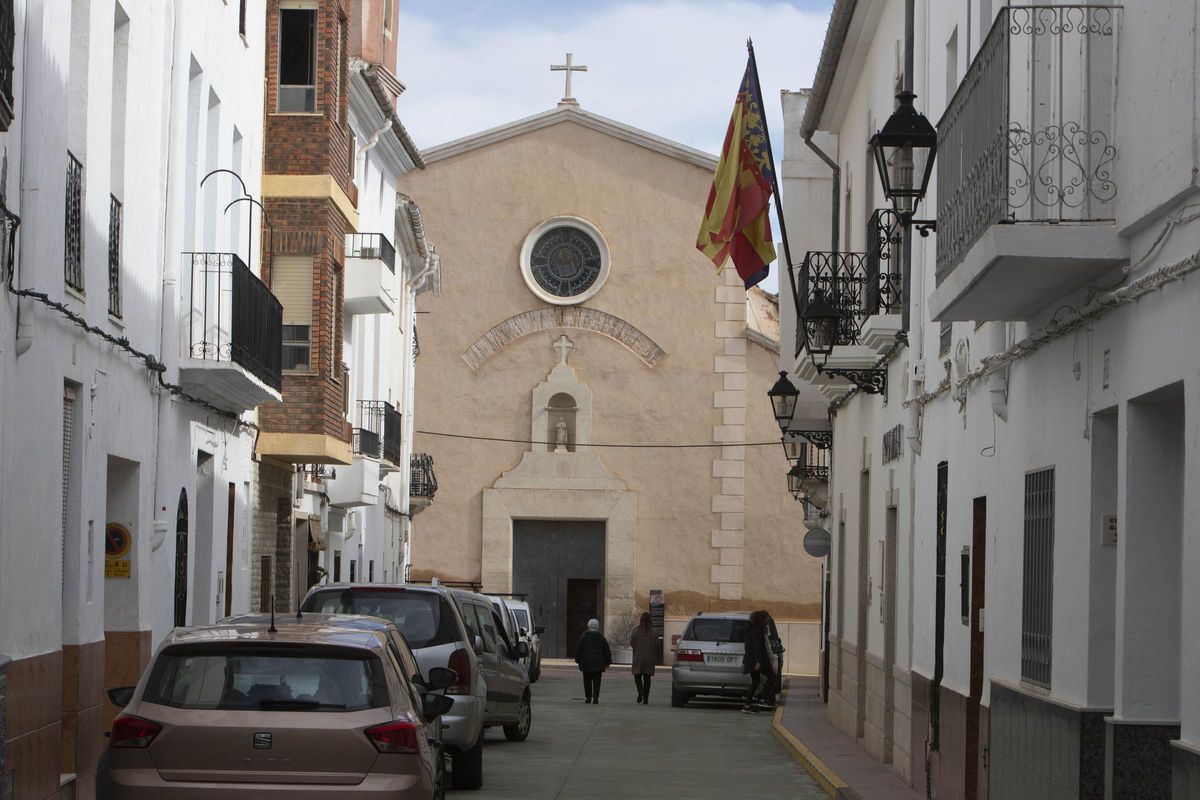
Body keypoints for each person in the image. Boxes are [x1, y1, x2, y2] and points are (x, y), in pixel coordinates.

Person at [741, 610, 774, 714]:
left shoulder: (752, 630)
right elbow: (757, 647)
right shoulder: (757, 631)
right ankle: (763, 699)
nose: (767, 622)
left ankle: (747, 705)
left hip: (753, 660)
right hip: (757, 661)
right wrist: (759, 661)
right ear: (762, 619)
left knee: (755, 682)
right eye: (767, 620)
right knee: (772, 676)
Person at [575, 618, 612, 704]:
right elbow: (607, 650)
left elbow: (578, 649)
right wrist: (608, 661)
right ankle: (595, 696)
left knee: (587, 680)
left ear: (588, 626)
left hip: (586, 662)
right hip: (598, 663)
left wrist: (578, 659)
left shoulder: (584, 637)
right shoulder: (601, 638)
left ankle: (588, 697)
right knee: (597, 680)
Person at [629, 611, 657, 704]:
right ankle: (646, 698)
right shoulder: (654, 632)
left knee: (637, 676)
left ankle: (640, 690)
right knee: (647, 678)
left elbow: (632, 643)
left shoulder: (635, 630)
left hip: (638, 656)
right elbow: (657, 644)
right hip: (649, 658)